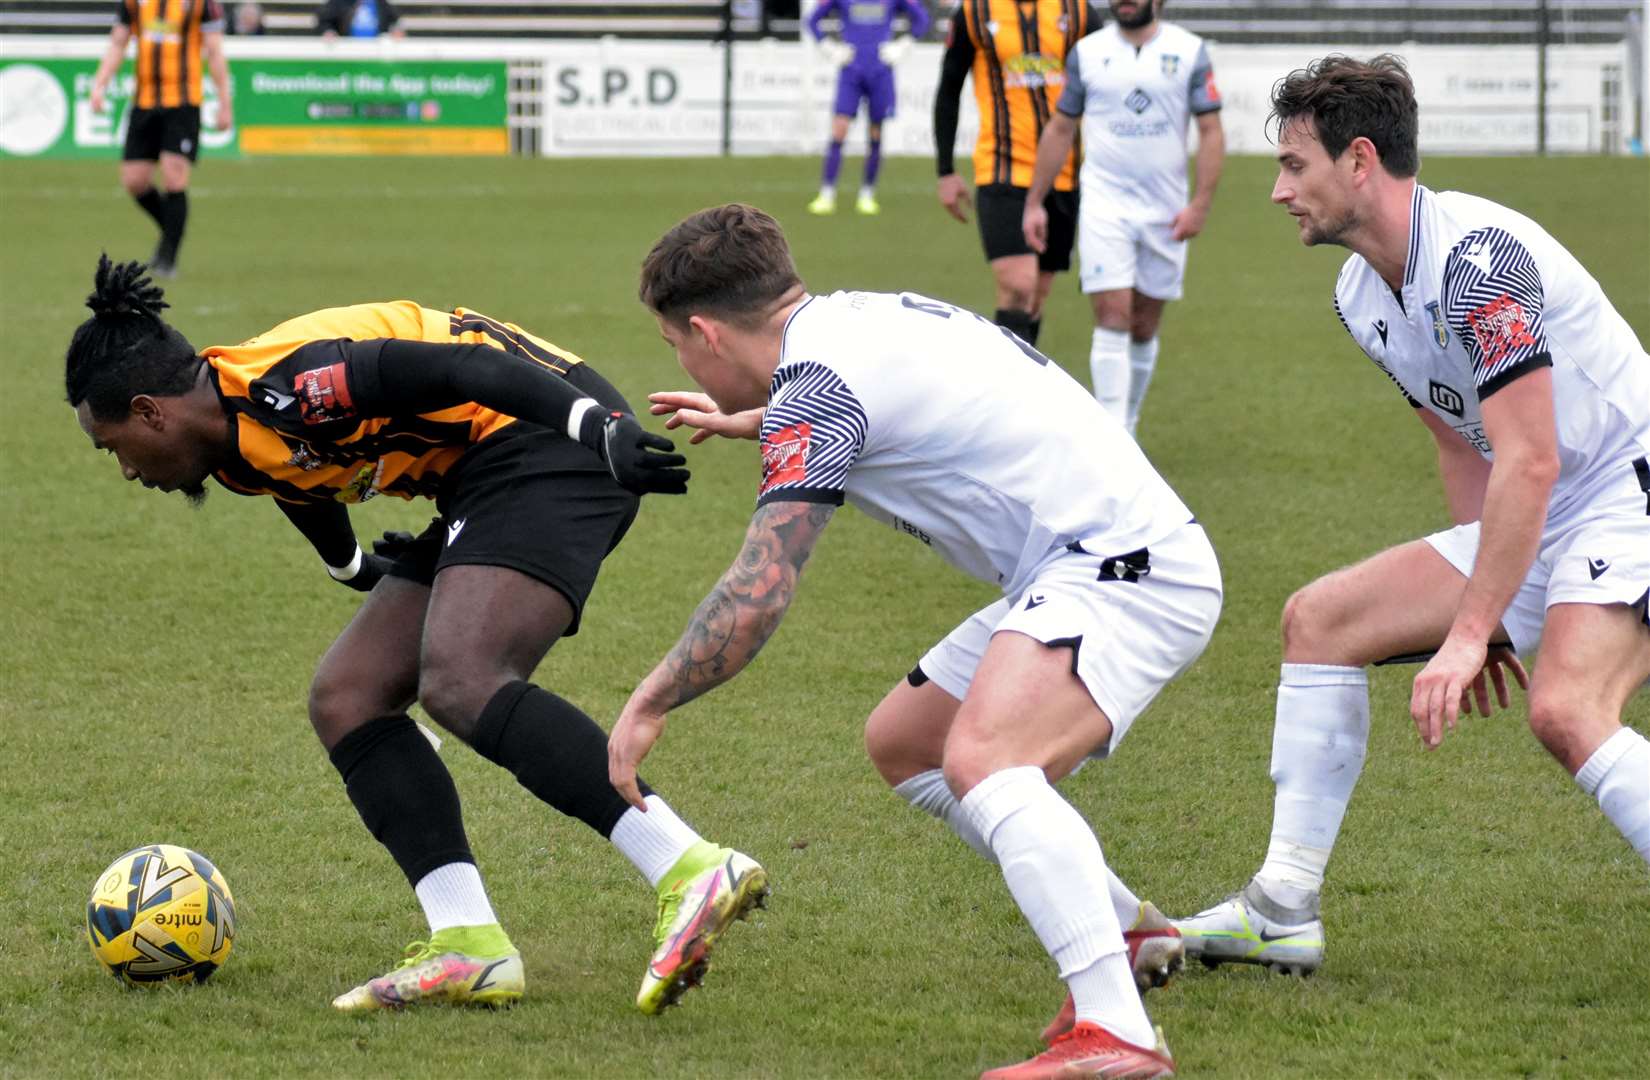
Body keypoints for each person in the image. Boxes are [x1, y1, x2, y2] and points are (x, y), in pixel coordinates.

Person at [610, 204, 1223, 1078]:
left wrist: (651, 699)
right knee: (909, 743)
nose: (682, 358)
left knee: (988, 760)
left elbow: (758, 592)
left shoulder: (817, 391)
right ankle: (1127, 930)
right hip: (1084, 558)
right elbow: (884, 398)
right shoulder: (852, 320)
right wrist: (762, 419)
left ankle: (1118, 1035)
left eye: (676, 342)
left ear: (704, 332)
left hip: (1123, 564)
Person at [64, 256, 768, 1014]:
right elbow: (298, 480)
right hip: (483, 472)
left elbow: (461, 371)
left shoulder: (295, 383)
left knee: (463, 679)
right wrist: (356, 568)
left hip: (550, 434)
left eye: (113, 448)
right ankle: (469, 945)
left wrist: (596, 429)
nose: (127, 472)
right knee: (349, 697)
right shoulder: (228, 434)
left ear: (149, 412)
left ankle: (690, 867)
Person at [1173, 55, 1649, 977]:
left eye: (1294, 166)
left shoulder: (1477, 266)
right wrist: (1488, 593)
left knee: (1565, 710)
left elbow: (1533, 454)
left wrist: (1474, 630)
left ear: (1359, 161)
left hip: (1630, 497)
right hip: (1547, 500)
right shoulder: (1360, 296)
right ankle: (1281, 907)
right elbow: (1461, 442)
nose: (1277, 191)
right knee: (1318, 622)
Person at [1022, 0, 1224, 434]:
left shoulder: (1188, 51)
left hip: (1166, 211)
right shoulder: (1088, 52)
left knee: (1143, 324)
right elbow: (1060, 128)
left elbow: (1210, 130)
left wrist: (1200, 204)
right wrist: (1035, 200)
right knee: (1112, 315)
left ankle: (1128, 416)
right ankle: (1115, 434)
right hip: (1103, 204)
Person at [933, 1, 1103, 348]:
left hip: (1064, 174)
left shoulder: (1077, 11)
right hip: (1002, 171)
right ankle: (1002, 392)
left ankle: (1020, 386)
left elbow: (1110, 70)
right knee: (1017, 287)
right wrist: (946, 171)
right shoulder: (975, 12)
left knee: (1036, 297)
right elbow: (949, 88)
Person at [89, 0, 233, 279]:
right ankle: (171, 232)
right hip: (143, 102)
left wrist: (225, 103)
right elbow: (118, 43)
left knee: (173, 177)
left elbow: (214, 51)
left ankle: (169, 256)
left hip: (183, 103)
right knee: (134, 181)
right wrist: (100, 84)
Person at [804, 0, 931, 217]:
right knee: (839, 129)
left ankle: (867, 194)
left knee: (875, 132)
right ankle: (827, 194)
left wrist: (904, 45)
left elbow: (921, 18)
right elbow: (812, 19)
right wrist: (829, 48)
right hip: (851, 70)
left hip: (880, 70)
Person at [317, 0, 403, 39]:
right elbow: (324, 21)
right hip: (347, 51)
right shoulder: (340, 2)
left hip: (375, 51)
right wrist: (328, 31)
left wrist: (395, 30)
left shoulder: (380, 3)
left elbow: (394, 21)